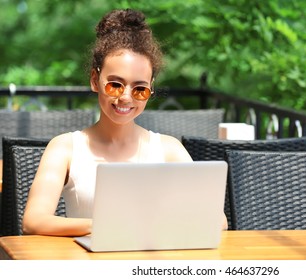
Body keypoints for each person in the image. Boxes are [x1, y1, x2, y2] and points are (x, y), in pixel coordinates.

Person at [23, 8, 228, 236]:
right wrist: (105, 226)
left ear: (151, 90)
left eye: (140, 89)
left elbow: (218, 221)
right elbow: (34, 221)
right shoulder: (65, 148)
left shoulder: (169, 150)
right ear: (94, 80)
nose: (126, 98)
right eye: (115, 85)